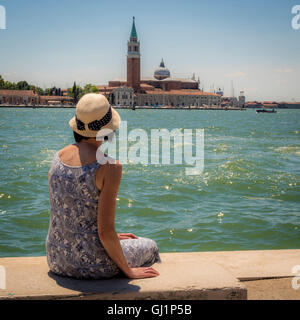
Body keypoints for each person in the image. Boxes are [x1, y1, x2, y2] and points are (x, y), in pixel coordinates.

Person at [46, 93, 160, 279]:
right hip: (93, 265)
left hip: (56, 260)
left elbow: (71, 214)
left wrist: (116, 236)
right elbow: (105, 232)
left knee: (126, 240)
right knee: (150, 246)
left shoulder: (58, 157)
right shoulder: (110, 167)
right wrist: (129, 272)